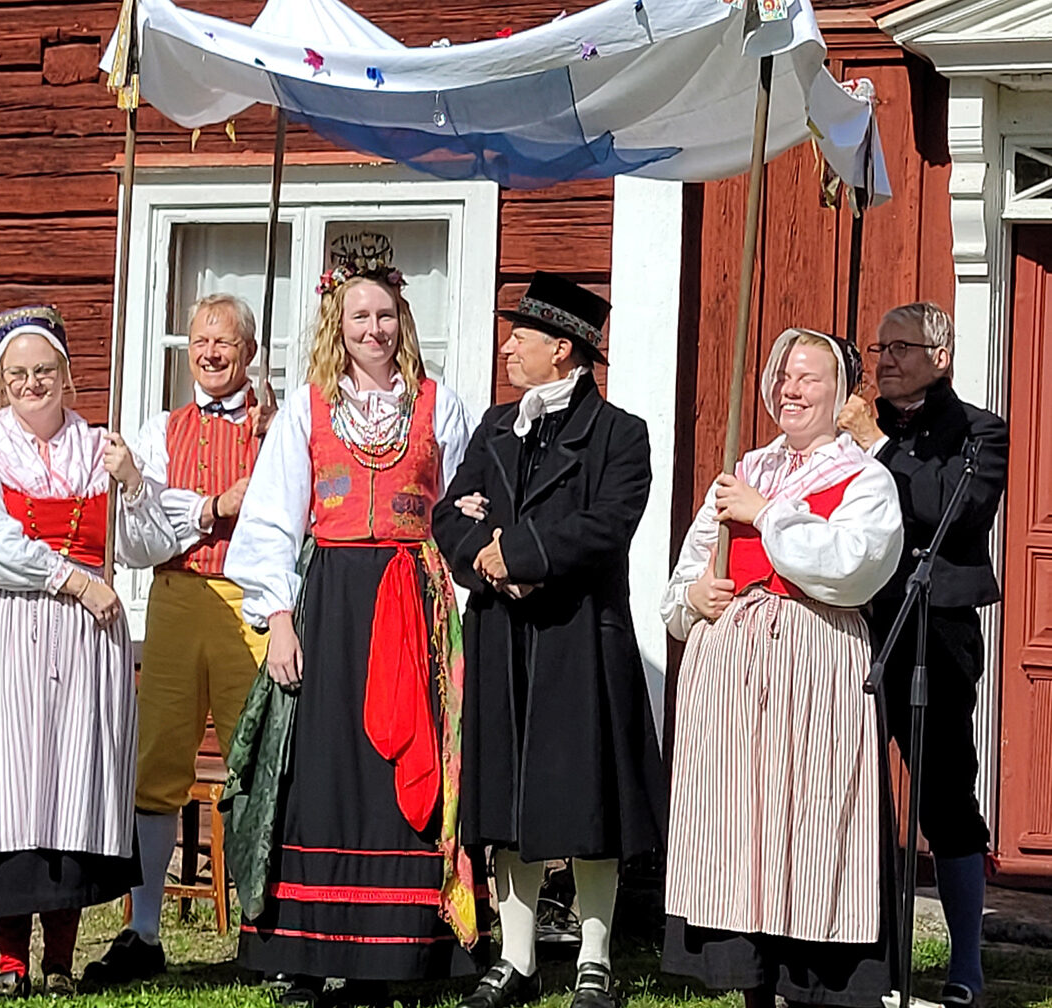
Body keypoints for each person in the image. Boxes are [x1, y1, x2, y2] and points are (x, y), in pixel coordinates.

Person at [225, 250, 481, 1000]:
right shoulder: (309, 408)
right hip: (330, 598)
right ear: (338, 325)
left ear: (403, 322)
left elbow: (465, 506)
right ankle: (306, 952)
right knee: (323, 767)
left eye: (385, 315)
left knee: (403, 763)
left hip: (414, 597)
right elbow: (271, 518)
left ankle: (400, 950)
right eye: (359, 316)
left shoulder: (440, 405)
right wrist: (277, 616)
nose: (373, 329)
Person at [0, 305, 177, 999]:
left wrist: (131, 483)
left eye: (44, 371)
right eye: (17, 375)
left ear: (68, 376)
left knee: (70, 788)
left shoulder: (103, 451)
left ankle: (60, 963)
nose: (31, 385)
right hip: (5, 631)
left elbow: (149, 545)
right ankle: (11, 964)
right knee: (7, 788)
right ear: (1, 383)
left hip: (84, 643)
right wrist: (73, 579)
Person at [433, 272, 663, 1008]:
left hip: (578, 635)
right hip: (501, 633)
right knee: (502, 804)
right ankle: (519, 959)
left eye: (520, 337)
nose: (508, 348)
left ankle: (594, 958)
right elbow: (447, 514)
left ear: (562, 350)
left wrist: (522, 555)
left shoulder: (620, 434)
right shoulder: (497, 426)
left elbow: (607, 525)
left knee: (587, 804)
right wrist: (487, 562)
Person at [660, 328, 904, 1008]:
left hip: (812, 669)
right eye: (783, 376)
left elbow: (853, 568)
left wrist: (768, 516)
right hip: (731, 680)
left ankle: (814, 981)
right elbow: (685, 574)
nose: (791, 389)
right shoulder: (744, 470)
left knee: (809, 821)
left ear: (840, 393)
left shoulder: (865, 478)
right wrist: (692, 599)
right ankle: (749, 982)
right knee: (738, 826)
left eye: (809, 378)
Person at [83, 293, 275, 987]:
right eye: (200, 340)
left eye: (224, 342)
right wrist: (211, 507)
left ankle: (266, 927)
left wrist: (271, 449)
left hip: (250, 601)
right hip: (172, 596)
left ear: (249, 351)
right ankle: (143, 929)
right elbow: (143, 536)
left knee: (254, 762)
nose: (210, 353)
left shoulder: (274, 425)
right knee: (156, 765)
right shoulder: (160, 430)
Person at [838, 302, 1008, 1008]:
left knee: (941, 791)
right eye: (879, 347)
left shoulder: (978, 430)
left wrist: (876, 449)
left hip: (933, 628)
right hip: (853, 620)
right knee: (842, 787)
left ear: (940, 356)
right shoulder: (847, 427)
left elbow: (951, 513)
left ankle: (964, 962)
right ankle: (851, 956)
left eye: (901, 347)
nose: (884, 360)